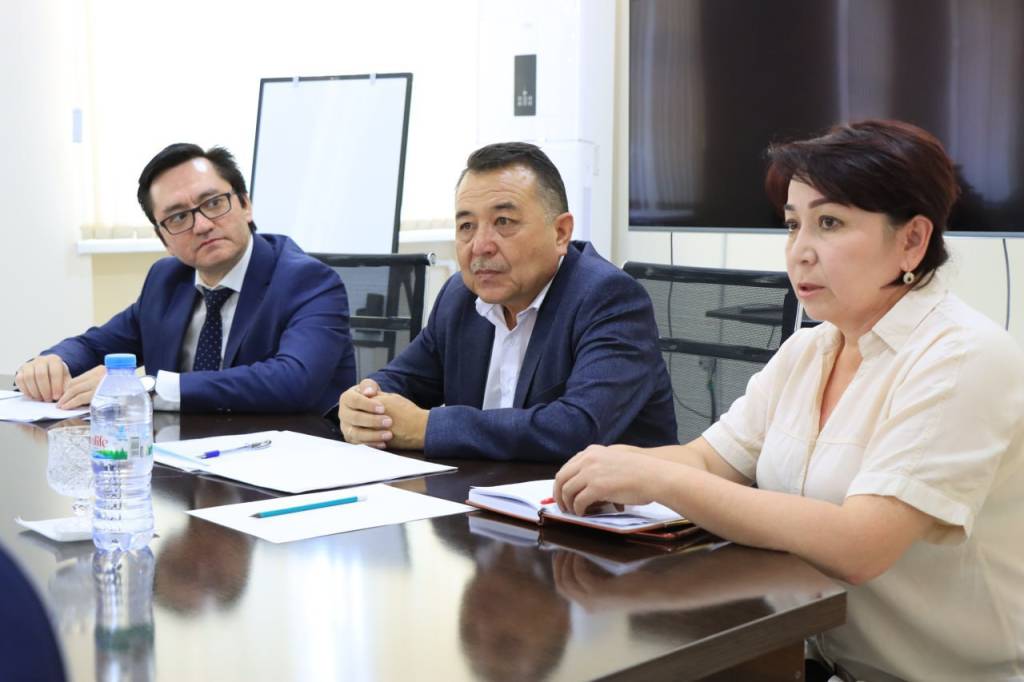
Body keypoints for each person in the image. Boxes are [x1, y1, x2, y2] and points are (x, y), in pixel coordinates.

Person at [554, 120, 1024, 681]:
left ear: (912, 241)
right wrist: (609, 467)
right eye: (792, 224)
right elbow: (710, 460)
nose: (799, 252)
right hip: (805, 661)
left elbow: (860, 545)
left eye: (829, 223)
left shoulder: (964, 357)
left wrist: (660, 479)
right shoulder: (809, 350)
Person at [339, 142, 676, 461]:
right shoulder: (460, 297)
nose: (480, 246)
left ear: (561, 233)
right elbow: (403, 381)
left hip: (603, 500)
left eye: (503, 222)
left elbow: (577, 428)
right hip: (482, 493)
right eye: (467, 226)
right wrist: (364, 403)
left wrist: (426, 428)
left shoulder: (609, 299)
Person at [15, 143, 355, 414]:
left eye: (214, 203)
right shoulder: (166, 280)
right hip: (183, 459)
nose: (202, 225)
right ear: (163, 237)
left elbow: (294, 380)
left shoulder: (308, 281)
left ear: (245, 204)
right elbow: (96, 346)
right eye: (178, 217)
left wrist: (150, 388)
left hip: (285, 459)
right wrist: (53, 363)